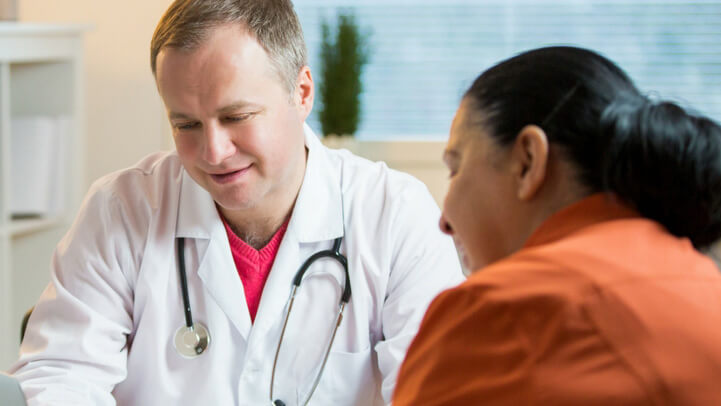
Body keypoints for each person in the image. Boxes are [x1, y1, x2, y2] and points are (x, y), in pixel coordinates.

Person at [8, 0, 464, 404]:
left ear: (302, 92)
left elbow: (438, 390)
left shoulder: (395, 215)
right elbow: (63, 375)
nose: (213, 152)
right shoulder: (122, 210)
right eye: (186, 124)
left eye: (236, 117)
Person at [392, 46, 721, 405]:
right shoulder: (703, 282)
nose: (444, 222)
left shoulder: (500, 316)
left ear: (528, 161)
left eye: (456, 169)